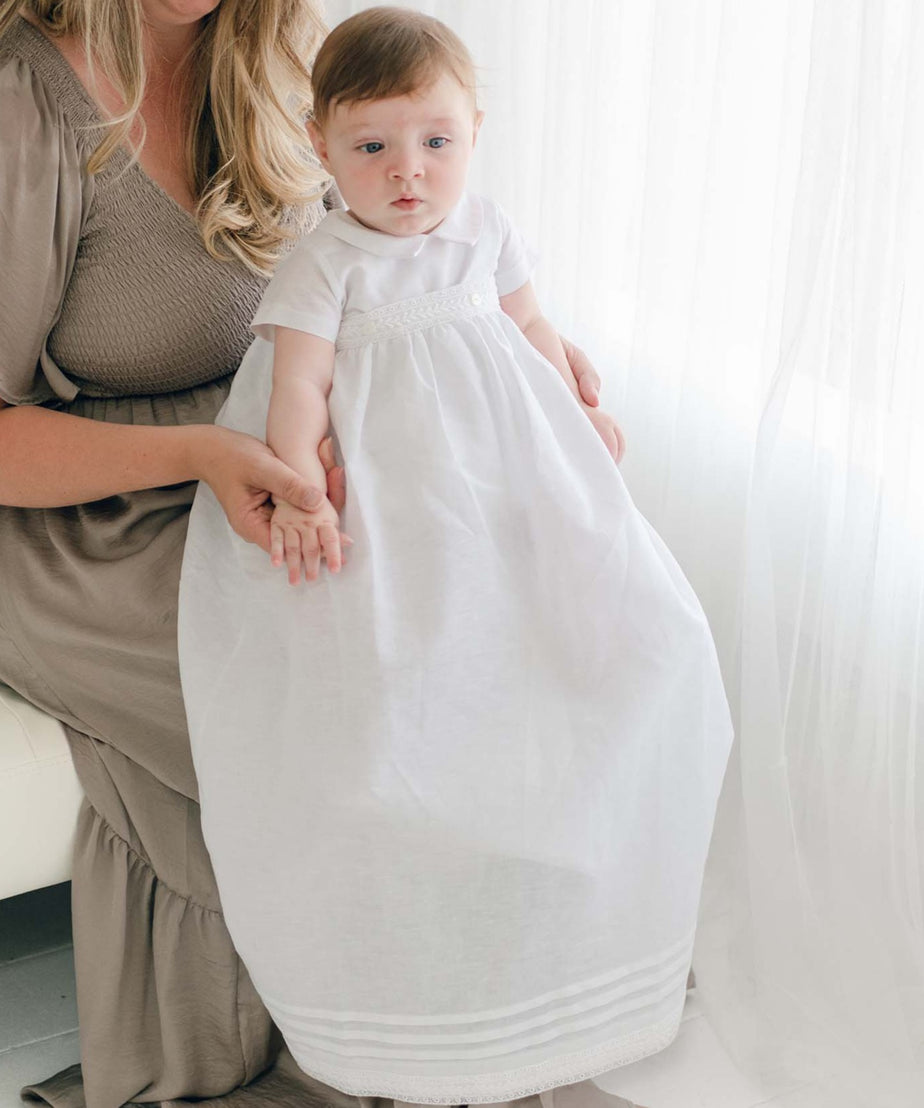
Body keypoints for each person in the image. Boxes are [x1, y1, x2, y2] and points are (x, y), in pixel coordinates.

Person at [0, 2, 610, 1107]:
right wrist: (207, 453)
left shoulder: (283, 72)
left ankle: (456, 1023)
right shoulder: (10, 111)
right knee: (316, 704)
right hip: (58, 523)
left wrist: (527, 351)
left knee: (461, 644)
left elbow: (383, 273)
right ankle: (351, 1052)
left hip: (256, 474)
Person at [177, 8, 735, 1108]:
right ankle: (418, 1000)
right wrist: (296, 490)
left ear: (474, 132)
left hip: (505, 478)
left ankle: (584, 941)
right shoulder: (325, 262)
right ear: (320, 142)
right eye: (371, 146)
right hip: (393, 498)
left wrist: (576, 403)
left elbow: (531, 332)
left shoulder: (485, 229)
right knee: (411, 674)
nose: (406, 173)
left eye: (434, 141)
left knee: (635, 643)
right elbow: (296, 390)